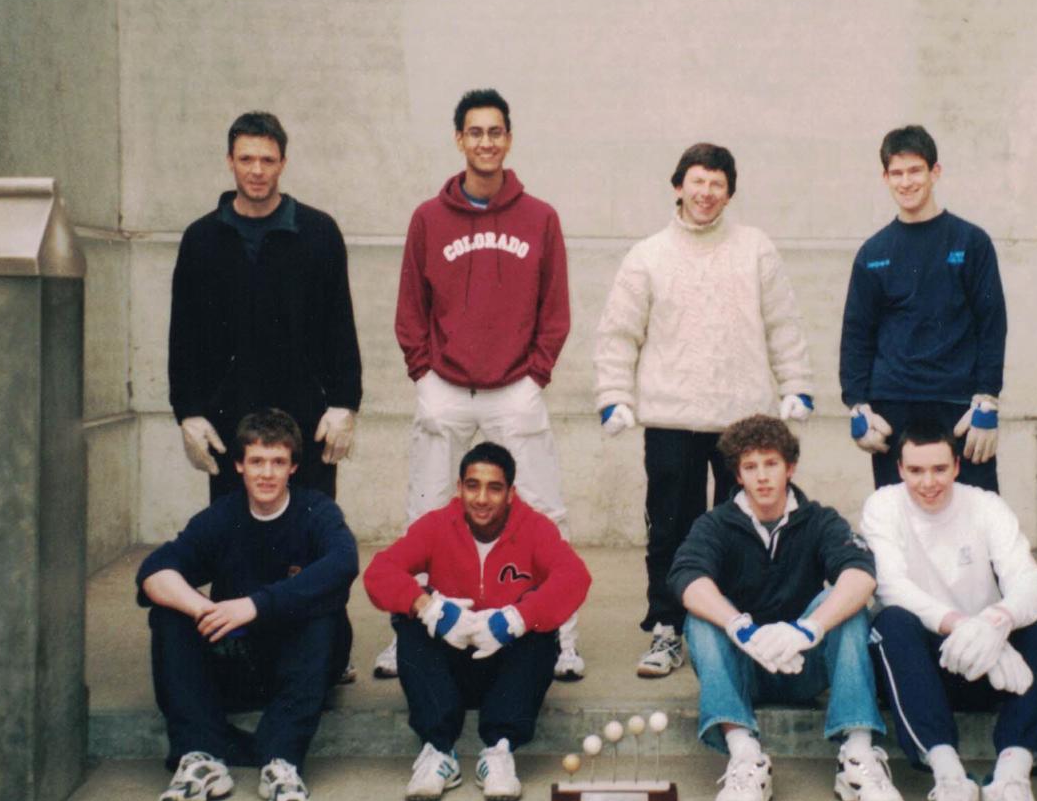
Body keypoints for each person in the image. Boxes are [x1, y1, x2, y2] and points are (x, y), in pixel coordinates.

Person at [379, 88, 583, 681]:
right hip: (443, 386)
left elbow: (557, 307)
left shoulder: (540, 216)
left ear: (509, 140)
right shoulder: (428, 218)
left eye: (496, 132)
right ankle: (407, 636)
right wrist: (423, 370)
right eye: (476, 132)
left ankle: (561, 638)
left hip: (515, 388)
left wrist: (536, 371)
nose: (486, 142)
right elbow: (410, 306)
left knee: (544, 510)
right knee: (424, 513)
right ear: (459, 139)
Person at [595, 143, 814, 680]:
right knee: (672, 526)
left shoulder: (755, 248)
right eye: (697, 181)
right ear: (678, 186)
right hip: (672, 418)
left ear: (729, 192)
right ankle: (668, 628)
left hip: (742, 420)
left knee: (745, 525)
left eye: (717, 183)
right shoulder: (647, 255)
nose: (706, 193)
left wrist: (796, 386)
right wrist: (613, 396)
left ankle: (733, 622)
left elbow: (782, 322)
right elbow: (620, 333)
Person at [667, 415, 902, 801]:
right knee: (702, 618)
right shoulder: (716, 524)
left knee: (843, 602)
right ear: (737, 475)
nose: (762, 477)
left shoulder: (820, 519)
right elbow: (686, 578)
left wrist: (807, 629)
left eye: (771, 463)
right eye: (751, 466)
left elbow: (861, 574)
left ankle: (858, 755)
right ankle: (745, 757)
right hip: (745, 667)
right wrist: (741, 627)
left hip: (804, 664)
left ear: (790, 467)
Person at [137, 409, 358, 801]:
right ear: (239, 464)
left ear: (293, 467)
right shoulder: (222, 517)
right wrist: (204, 609)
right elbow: (153, 571)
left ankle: (281, 761)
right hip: (239, 662)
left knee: (324, 612)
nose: (266, 474)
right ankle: (201, 757)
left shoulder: (316, 512)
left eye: (277, 462)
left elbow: (343, 564)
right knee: (169, 614)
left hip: (300, 663)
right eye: (256, 461)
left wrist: (254, 605)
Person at [858, 420, 1037, 801]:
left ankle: (1010, 781)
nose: (928, 482)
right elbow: (891, 585)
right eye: (916, 471)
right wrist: (964, 625)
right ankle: (951, 779)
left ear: (956, 466)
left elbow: (1030, 581)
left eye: (938, 469)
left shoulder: (985, 505)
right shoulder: (884, 505)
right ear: (899, 469)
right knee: (891, 623)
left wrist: (997, 622)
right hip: (921, 665)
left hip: (986, 661)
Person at [363, 442, 591, 801]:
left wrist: (516, 618)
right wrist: (430, 608)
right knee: (408, 621)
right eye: (472, 485)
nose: (481, 498)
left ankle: (499, 751)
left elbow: (575, 577)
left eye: (494, 488)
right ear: (459, 488)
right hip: (449, 665)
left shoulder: (534, 527)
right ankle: (438, 751)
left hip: (505, 669)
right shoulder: (437, 525)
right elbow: (379, 572)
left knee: (541, 630)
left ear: (511, 493)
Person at [169, 111, 362, 503]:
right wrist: (188, 412)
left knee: (309, 541)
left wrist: (345, 404)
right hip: (228, 420)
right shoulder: (202, 239)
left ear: (283, 164)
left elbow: (339, 325)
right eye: (246, 159)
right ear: (230, 161)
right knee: (235, 546)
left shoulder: (319, 233)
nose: (257, 170)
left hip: (307, 419)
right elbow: (183, 334)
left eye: (268, 160)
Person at [838, 124, 1006, 493]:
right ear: (885, 178)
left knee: (976, 517)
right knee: (900, 521)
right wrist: (856, 405)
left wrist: (988, 399)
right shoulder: (873, 252)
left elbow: (992, 324)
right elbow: (856, 333)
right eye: (896, 173)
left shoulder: (971, 242)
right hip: (893, 407)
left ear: (935, 172)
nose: (906, 182)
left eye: (915, 170)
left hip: (960, 406)